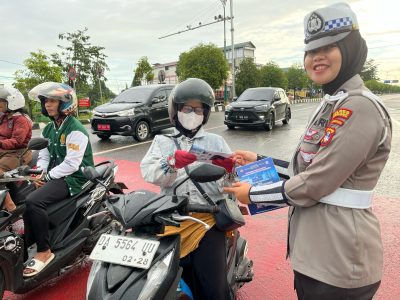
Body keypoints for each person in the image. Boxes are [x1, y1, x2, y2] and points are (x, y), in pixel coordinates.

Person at [224, 3, 392, 300]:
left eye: (328, 47)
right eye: (311, 51)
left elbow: (316, 183)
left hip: (339, 260)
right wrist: (261, 161)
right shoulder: (333, 103)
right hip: (316, 255)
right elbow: (307, 169)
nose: (316, 57)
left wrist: (250, 194)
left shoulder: (360, 106)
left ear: (350, 48)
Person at [141, 78, 234, 300]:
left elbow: (230, 186)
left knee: (214, 289)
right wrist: (170, 163)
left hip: (207, 220)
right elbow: (148, 173)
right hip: (172, 219)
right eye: (187, 108)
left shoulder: (216, 142)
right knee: (164, 283)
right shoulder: (163, 141)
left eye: (199, 109)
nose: (193, 113)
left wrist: (228, 171)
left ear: (206, 113)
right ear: (176, 110)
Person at [23, 82, 94, 277]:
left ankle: (44, 251)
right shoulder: (48, 129)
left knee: (33, 201)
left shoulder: (75, 129)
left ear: (65, 103)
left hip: (75, 177)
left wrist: (48, 176)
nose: (47, 104)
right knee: (25, 201)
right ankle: (27, 246)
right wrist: (39, 174)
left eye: (53, 100)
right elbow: (45, 157)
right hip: (58, 174)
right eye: (46, 100)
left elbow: (72, 164)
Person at [0, 87, 32, 212]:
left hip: (18, 153)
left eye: (1, 101)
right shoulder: (4, 117)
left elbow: (17, 141)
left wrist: (1, 144)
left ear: (12, 102)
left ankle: (11, 209)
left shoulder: (21, 120)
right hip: (4, 151)